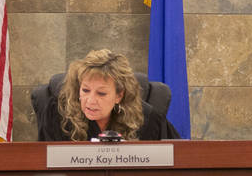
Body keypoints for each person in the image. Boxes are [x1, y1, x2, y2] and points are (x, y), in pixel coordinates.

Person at [37, 49, 180, 141]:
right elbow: (43, 163)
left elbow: (176, 158)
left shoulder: (147, 119)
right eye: (85, 90)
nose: (90, 101)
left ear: (119, 95)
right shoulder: (57, 113)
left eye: (101, 93)